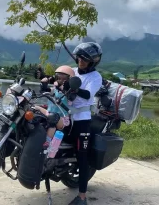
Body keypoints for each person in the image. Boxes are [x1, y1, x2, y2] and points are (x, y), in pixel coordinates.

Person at [66, 42, 103, 205]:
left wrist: (73, 88)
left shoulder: (95, 77)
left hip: (82, 121)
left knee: (83, 158)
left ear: (93, 61)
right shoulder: (72, 72)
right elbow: (61, 79)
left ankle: (82, 197)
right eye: (79, 57)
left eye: (85, 59)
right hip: (66, 116)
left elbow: (88, 95)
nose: (81, 61)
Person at [37, 65, 75, 149]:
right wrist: (44, 85)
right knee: (34, 108)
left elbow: (71, 98)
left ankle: (48, 141)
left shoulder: (70, 91)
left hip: (63, 119)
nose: (61, 81)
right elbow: (47, 91)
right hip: (50, 112)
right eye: (59, 78)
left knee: (53, 117)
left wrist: (63, 89)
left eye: (64, 79)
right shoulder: (55, 88)